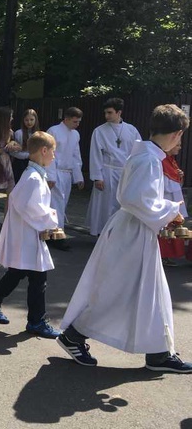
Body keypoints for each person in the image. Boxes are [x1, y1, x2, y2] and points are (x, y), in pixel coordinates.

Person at [58, 104, 192, 373]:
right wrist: (170, 209)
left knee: (150, 292)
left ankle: (159, 352)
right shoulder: (149, 159)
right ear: (177, 134)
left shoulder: (146, 154)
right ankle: (74, 335)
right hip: (133, 232)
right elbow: (136, 199)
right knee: (118, 291)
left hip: (135, 230)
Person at [0, 132, 62, 338]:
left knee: (19, 272)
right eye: (53, 151)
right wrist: (51, 218)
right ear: (43, 151)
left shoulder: (33, 175)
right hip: (28, 236)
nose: (54, 156)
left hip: (28, 235)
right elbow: (28, 206)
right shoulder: (33, 178)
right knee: (37, 278)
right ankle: (36, 321)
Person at [85, 98, 141, 236]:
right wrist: (97, 177)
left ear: (119, 112)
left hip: (125, 172)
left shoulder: (131, 130)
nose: (107, 116)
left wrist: (135, 173)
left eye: (110, 112)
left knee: (121, 204)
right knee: (105, 205)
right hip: (107, 171)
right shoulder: (99, 131)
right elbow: (95, 154)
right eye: (105, 113)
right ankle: (102, 233)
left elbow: (138, 152)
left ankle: (119, 234)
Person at [46, 107, 84, 249]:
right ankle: (57, 236)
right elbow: (50, 154)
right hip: (56, 172)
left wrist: (78, 176)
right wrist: (51, 175)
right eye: (75, 121)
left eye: (79, 121)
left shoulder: (75, 135)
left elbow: (76, 155)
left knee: (61, 205)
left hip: (67, 173)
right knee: (56, 205)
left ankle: (51, 233)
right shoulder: (53, 131)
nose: (77, 124)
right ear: (66, 119)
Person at [159, 141, 188, 265]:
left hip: (174, 198)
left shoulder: (171, 160)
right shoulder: (163, 161)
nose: (180, 148)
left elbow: (176, 181)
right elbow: (164, 184)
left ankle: (169, 254)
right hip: (167, 199)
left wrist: (180, 175)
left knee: (172, 227)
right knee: (165, 228)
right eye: (178, 145)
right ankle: (163, 255)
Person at [10, 109, 40, 183]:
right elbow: (13, 152)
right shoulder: (18, 133)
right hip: (20, 164)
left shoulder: (39, 134)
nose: (29, 122)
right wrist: (27, 155)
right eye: (26, 120)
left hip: (35, 164)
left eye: (31, 119)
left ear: (36, 120)